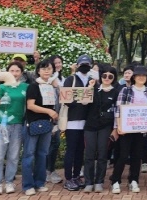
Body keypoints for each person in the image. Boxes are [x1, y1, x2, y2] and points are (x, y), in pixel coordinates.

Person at [110, 66, 147, 194]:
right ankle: (115, 181)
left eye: (143, 76)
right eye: (138, 76)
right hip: (126, 129)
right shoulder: (126, 90)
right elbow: (118, 110)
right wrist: (118, 127)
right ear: (134, 77)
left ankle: (134, 180)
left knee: (136, 156)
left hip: (140, 130)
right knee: (122, 155)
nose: (141, 78)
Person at [0, 61, 29, 195]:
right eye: (12, 71)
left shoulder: (25, 87)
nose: (14, 73)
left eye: (17, 71)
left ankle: (9, 181)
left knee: (13, 156)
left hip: (18, 124)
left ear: (21, 73)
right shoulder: (1, 87)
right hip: (2, 124)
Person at [22, 59, 59, 196]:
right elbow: (30, 105)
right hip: (33, 123)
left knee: (42, 154)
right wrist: (49, 112)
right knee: (29, 155)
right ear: (38, 71)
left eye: (49, 69)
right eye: (43, 69)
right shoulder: (33, 86)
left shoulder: (51, 86)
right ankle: (27, 185)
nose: (46, 71)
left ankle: (39, 182)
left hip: (47, 124)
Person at [83, 64, 119, 193]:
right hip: (90, 126)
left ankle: (99, 181)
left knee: (103, 155)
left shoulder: (116, 92)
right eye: (104, 75)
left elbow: (118, 111)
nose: (107, 78)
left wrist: (115, 129)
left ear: (113, 78)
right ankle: (88, 182)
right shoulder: (94, 88)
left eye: (110, 76)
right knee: (89, 155)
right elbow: (84, 102)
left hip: (106, 126)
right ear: (101, 76)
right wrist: (89, 87)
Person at [63, 55, 95, 191]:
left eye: (87, 64)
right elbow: (66, 99)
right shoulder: (71, 79)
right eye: (82, 64)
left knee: (80, 150)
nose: (85, 66)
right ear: (77, 65)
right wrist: (83, 98)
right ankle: (68, 178)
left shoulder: (92, 80)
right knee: (71, 149)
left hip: (86, 122)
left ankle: (76, 175)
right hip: (72, 121)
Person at [46, 55, 65, 184]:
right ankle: (47, 171)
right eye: (55, 63)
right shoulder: (47, 81)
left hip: (58, 117)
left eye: (59, 62)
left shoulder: (62, 79)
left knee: (54, 144)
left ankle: (49, 171)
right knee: (50, 145)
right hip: (49, 118)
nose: (58, 65)